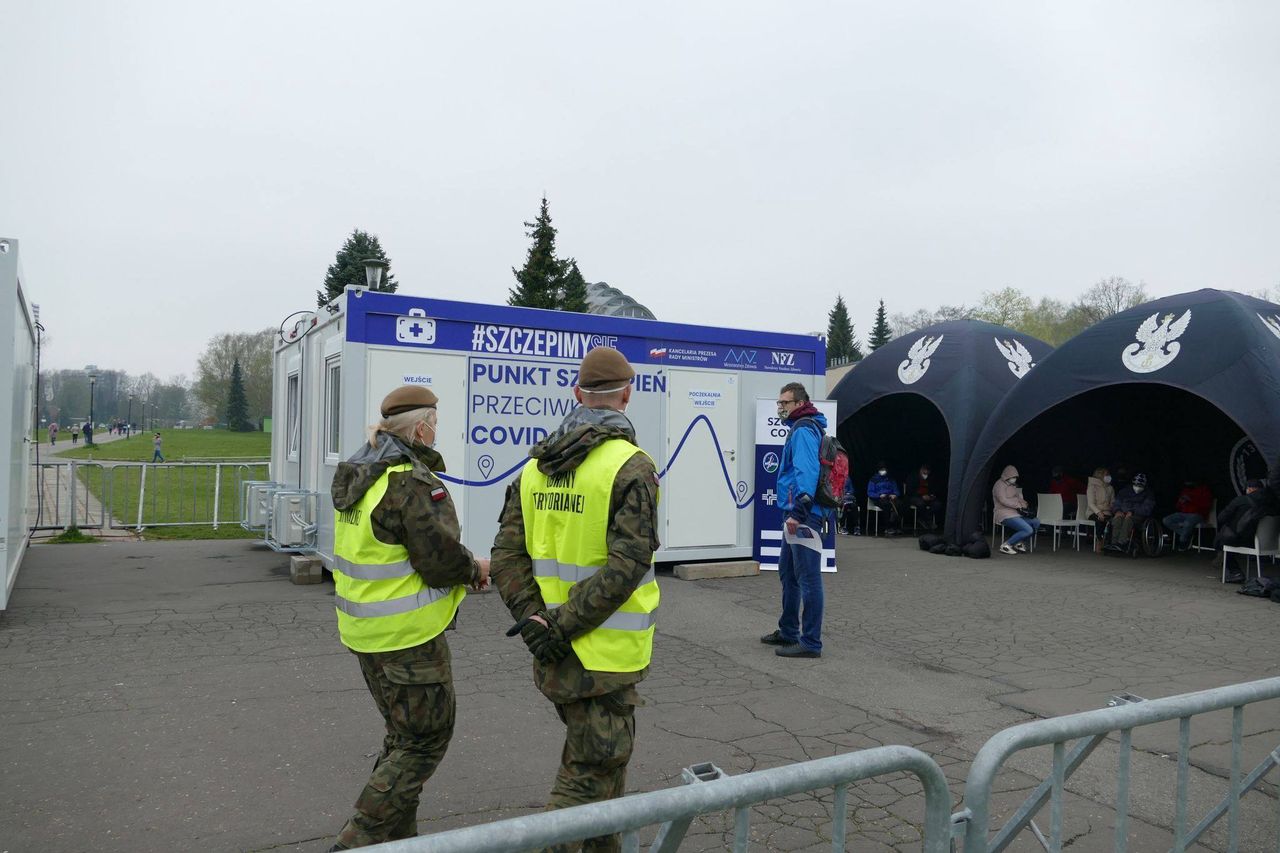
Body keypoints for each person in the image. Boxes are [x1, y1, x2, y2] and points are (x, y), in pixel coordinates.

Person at [490, 346, 660, 853]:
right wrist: (557, 626)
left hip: (557, 653)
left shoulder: (535, 469)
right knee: (588, 779)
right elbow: (626, 567)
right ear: (627, 395)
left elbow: (505, 557)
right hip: (603, 655)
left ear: (576, 394)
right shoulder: (631, 467)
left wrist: (537, 623)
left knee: (605, 774)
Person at [327, 385, 489, 851]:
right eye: (435, 423)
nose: (437, 432)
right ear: (421, 427)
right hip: (408, 638)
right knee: (423, 741)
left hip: (366, 633)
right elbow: (437, 560)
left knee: (403, 738)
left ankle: (397, 845)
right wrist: (474, 569)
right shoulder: (410, 482)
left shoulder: (361, 476)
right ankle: (359, 840)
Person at [759, 382, 831, 659]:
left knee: (809, 579)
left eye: (784, 403)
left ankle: (811, 643)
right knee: (788, 573)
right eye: (779, 403)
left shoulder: (802, 431)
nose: (780, 408)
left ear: (799, 404)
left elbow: (807, 472)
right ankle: (789, 631)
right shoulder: (806, 426)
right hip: (797, 514)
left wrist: (798, 513)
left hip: (803, 515)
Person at [993, 465, 1039, 555]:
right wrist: (1017, 505)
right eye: (1013, 477)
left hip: (1016, 513)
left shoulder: (1012, 485)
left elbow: (1017, 497)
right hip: (1004, 513)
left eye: (1015, 477)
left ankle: (1019, 542)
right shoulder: (999, 485)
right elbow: (1003, 500)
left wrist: (1023, 503)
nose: (1014, 479)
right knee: (1028, 530)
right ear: (1007, 476)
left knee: (1036, 522)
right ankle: (1006, 545)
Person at [1105, 472, 1155, 551]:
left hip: (1137, 515)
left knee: (1128, 520)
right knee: (1118, 518)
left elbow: (1147, 509)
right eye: (1136, 485)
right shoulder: (1124, 491)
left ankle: (1122, 543)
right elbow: (1117, 502)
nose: (1137, 487)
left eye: (1140, 486)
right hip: (1123, 512)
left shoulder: (1148, 494)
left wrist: (1133, 511)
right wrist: (1117, 510)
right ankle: (1114, 543)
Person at [1162, 478, 1213, 551]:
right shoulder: (1185, 490)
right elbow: (1178, 506)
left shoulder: (1204, 490)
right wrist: (1180, 501)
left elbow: (1207, 505)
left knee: (1187, 523)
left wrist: (1191, 500)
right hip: (1183, 513)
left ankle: (1183, 542)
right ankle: (1187, 534)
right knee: (1166, 520)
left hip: (1197, 514)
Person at [1085, 467, 1115, 553]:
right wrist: (1098, 512)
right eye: (1106, 475)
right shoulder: (1092, 487)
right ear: (1100, 476)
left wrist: (1113, 510)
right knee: (1100, 520)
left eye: (1109, 475)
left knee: (1112, 522)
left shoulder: (1110, 488)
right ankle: (1099, 540)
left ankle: (1110, 543)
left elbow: (1113, 502)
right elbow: (1091, 503)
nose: (1108, 476)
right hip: (1093, 511)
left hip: (1107, 512)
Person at [866, 462, 902, 534]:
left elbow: (896, 491)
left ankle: (896, 526)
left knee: (900, 504)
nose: (883, 471)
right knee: (887, 505)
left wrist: (894, 495)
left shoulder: (891, 479)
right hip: (879, 498)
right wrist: (879, 495)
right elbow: (870, 492)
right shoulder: (873, 480)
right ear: (878, 470)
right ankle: (888, 527)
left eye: (884, 469)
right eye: (881, 469)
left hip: (891, 497)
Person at [907, 464, 941, 530]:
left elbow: (934, 489)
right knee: (921, 503)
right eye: (924, 473)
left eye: (927, 473)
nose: (925, 475)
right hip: (915, 497)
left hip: (927, 497)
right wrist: (921, 496)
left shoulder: (930, 478)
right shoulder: (913, 477)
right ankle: (928, 521)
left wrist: (931, 495)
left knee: (937, 504)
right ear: (921, 470)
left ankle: (923, 519)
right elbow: (910, 491)